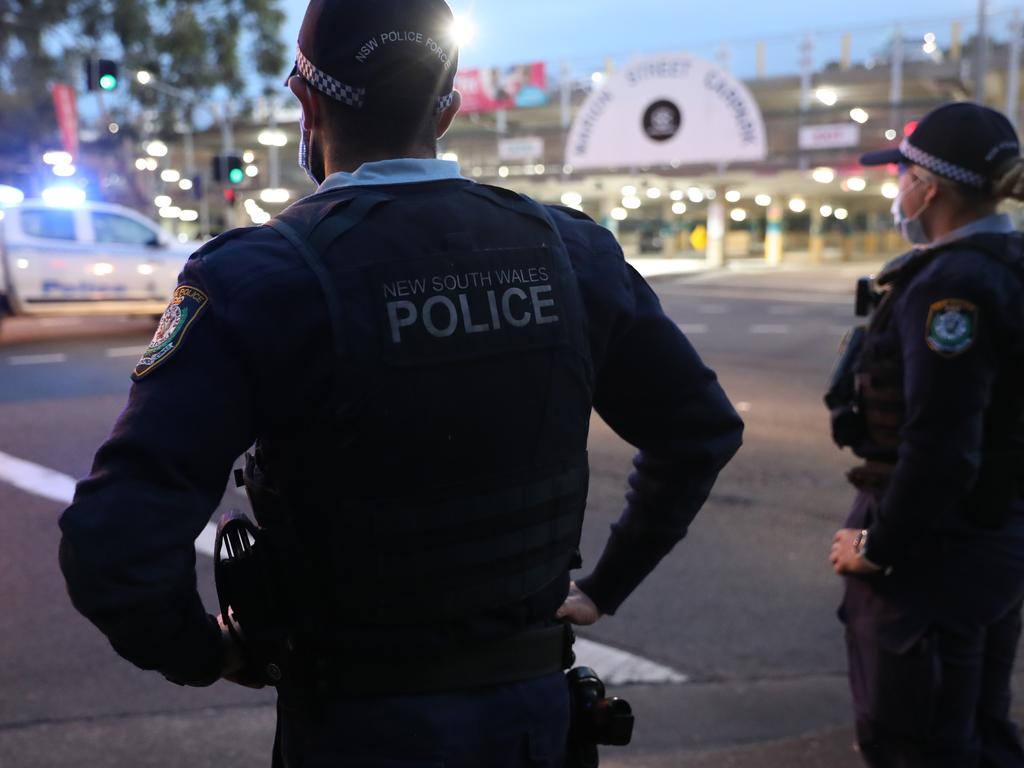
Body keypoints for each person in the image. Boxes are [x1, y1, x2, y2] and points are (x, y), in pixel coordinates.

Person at [58, 1, 744, 765]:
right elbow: (699, 431)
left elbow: (112, 542)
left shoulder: (257, 278)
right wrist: (606, 584)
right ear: (445, 111)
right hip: (534, 722)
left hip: (356, 726)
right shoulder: (572, 252)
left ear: (305, 102)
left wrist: (209, 655)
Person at [829, 101, 1024, 767]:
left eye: (903, 174)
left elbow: (941, 447)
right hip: (992, 536)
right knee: (978, 729)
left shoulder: (952, 288)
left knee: (918, 741)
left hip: (937, 558)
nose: (897, 189)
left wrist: (877, 547)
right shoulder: (1007, 262)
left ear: (929, 187)